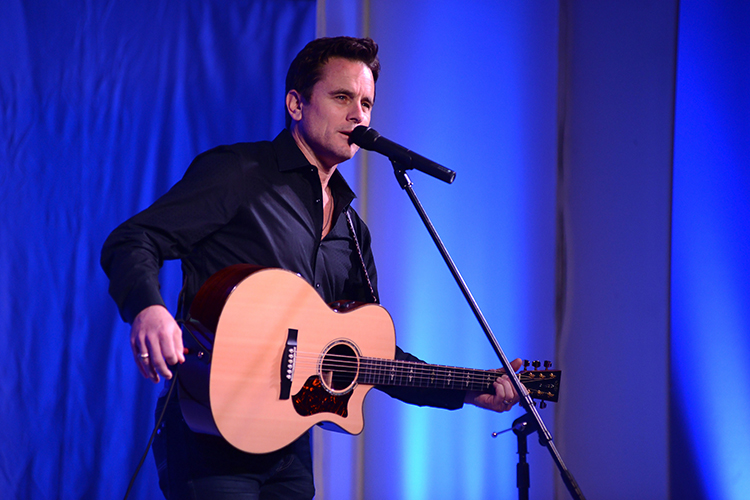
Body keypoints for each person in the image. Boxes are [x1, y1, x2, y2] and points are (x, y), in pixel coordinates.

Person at [101, 36, 521, 500]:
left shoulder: (351, 231)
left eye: (366, 102)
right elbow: (133, 239)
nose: (358, 114)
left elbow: (372, 356)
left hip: (288, 446)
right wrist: (148, 308)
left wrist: (469, 390)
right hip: (210, 435)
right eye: (342, 97)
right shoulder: (239, 173)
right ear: (296, 104)